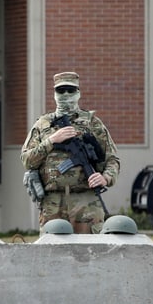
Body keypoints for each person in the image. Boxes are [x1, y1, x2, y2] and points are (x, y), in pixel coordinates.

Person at [21, 72, 120, 234]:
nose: (66, 94)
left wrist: (105, 177)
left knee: (91, 253)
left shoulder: (93, 123)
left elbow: (112, 160)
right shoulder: (42, 124)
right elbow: (27, 160)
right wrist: (52, 140)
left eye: (71, 90)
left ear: (78, 93)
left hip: (86, 200)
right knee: (51, 253)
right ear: (54, 94)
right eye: (61, 91)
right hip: (53, 202)